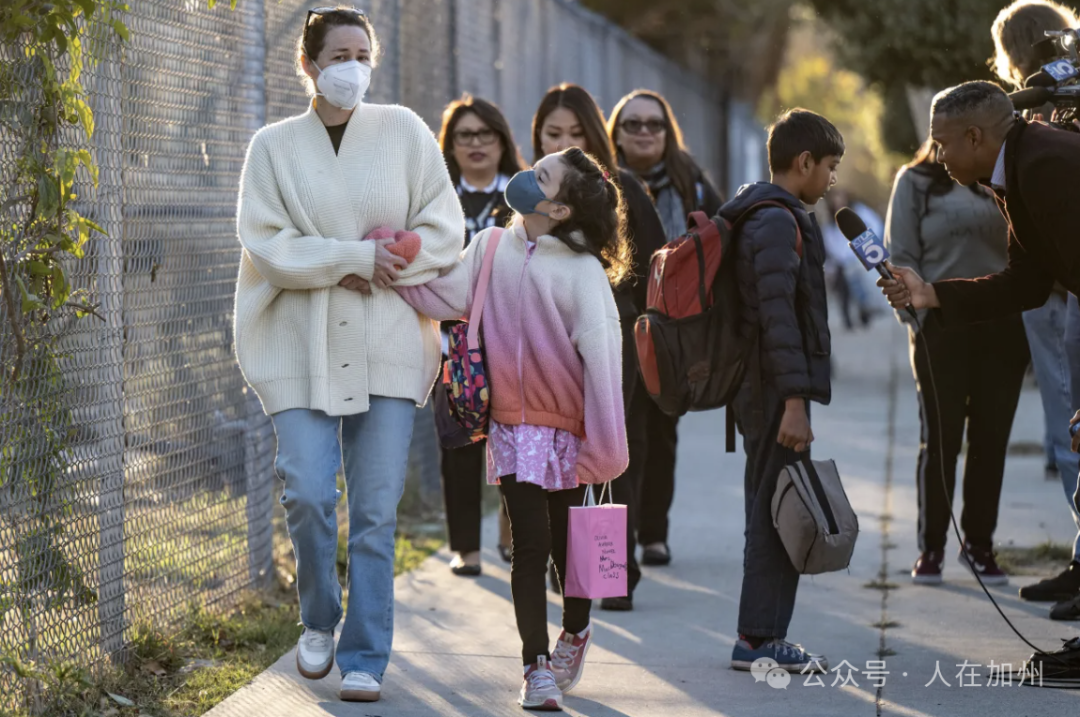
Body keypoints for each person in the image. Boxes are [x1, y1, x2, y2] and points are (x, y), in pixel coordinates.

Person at [234, 8, 464, 703]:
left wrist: (395, 252)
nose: (352, 67)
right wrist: (351, 258)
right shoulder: (271, 147)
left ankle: (365, 652)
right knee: (306, 490)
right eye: (338, 54)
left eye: (363, 53)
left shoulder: (404, 131)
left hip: (387, 340)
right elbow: (267, 245)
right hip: (296, 345)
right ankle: (318, 616)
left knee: (374, 506)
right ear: (306, 64)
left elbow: (443, 225)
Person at [396, 148, 630, 711]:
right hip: (509, 426)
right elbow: (448, 294)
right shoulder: (491, 245)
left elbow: (603, 358)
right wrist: (397, 267)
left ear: (560, 207)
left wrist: (605, 447)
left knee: (570, 546)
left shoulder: (582, 272)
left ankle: (576, 630)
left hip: (568, 432)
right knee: (530, 546)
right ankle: (535, 666)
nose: (527, 175)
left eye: (541, 175)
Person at [878, 82, 1080, 628]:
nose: (938, 157)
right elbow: (1028, 284)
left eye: (943, 144)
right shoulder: (1018, 166)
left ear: (975, 137)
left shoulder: (1043, 167)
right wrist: (931, 293)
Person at [532, 83, 667, 611]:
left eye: (577, 133)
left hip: (614, 337)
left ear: (596, 136)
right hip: (547, 341)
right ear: (537, 137)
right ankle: (570, 565)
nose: (566, 142)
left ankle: (613, 571)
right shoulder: (534, 191)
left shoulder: (623, 187)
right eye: (553, 134)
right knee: (555, 453)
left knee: (613, 449)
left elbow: (655, 266)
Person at [721, 109, 840, 674]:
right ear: (804, 163)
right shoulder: (776, 222)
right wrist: (795, 402)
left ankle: (763, 632)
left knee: (774, 506)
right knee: (778, 513)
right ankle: (757, 637)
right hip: (773, 394)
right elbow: (777, 320)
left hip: (767, 389)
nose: (832, 180)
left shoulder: (769, 212)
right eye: (830, 167)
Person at [885, 137, 1029, 586]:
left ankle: (979, 545)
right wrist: (915, 318)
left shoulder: (1006, 179)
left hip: (1003, 325)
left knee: (991, 440)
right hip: (939, 324)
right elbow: (901, 254)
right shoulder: (915, 181)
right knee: (941, 440)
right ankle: (932, 547)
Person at [608, 89, 725, 568]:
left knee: (661, 431)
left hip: (673, 330)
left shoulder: (690, 183)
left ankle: (653, 533)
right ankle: (621, 537)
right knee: (620, 437)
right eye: (631, 124)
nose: (643, 132)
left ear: (668, 131)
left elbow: (719, 240)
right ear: (615, 131)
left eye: (653, 124)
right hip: (615, 325)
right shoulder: (600, 180)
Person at [991, 0, 1080, 618]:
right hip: (1056, 282)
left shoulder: (1040, 98)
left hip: (1059, 280)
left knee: (1068, 426)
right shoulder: (1047, 90)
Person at [437, 94, 524, 576]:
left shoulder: (522, 194)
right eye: (463, 135)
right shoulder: (436, 196)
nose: (475, 144)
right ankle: (465, 547)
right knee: (459, 442)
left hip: (513, 340)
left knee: (514, 440)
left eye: (484, 135)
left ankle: (512, 533)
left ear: (501, 141)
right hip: (454, 342)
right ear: (449, 144)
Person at [822, 188, 882, 330]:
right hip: (842, 261)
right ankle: (847, 319)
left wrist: (868, 246)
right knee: (844, 290)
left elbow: (875, 226)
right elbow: (830, 240)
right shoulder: (829, 220)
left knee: (863, 288)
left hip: (860, 255)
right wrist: (839, 257)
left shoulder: (860, 211)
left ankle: (865, 314)